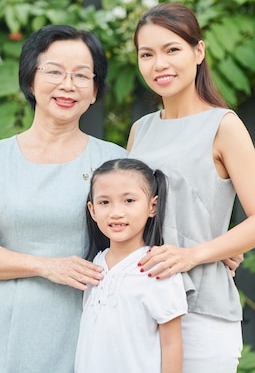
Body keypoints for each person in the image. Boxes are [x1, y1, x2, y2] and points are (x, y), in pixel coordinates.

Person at [0, 25, 127, 373]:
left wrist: (217, 249)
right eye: (54, 71)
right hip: (1, 332)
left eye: (81, 75)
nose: (68, 85)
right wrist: (46, 265)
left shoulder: (115, 162)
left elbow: (147, 236)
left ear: (94, 90)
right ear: (30, 80)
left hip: (87, 330)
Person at [127, 2, 255, 372]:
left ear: (199, 51)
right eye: (146, 54)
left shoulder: (223, 126)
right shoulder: (141, 130)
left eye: (171, 49)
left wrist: (195, 253)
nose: (159, 64)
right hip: (139, 303)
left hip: (201, 309)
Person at [75, 158, 187, 373]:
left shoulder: (157, 268)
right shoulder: (94, 266)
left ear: (152, 206)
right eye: (104, 202)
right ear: (92, 209)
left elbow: (171, 343)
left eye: (128, 201)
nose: (116, 212)